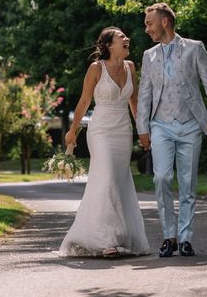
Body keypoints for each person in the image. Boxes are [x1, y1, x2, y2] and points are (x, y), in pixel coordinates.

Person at [137, 3, 207, 258]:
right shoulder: (149, 55)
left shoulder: (195, 48)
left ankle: (184, 239)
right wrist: (142, 127)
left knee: (187, 183)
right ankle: (168, 236)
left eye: (149, 23)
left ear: (165, 22)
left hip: (191, 125)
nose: (146, 28)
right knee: (161, 177)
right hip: (160, 125)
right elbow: (144, 95)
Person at [59, 27, 151, 258]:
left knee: (118, 182)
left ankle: (118, 237)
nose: (127, 39)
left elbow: (135, 102)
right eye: (122, 37)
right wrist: (73, 131)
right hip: (100, 130)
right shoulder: (96, 68)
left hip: (123, 131)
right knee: (108, 177)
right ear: (110, 45)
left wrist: (143, 131)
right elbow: (84, 101)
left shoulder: (130, 67)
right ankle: (106, 241)